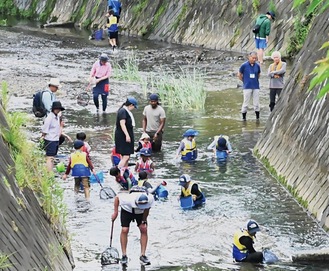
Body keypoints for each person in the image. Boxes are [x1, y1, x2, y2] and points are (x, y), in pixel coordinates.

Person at [111, 186, 154, 266]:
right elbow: (117, 198)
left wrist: (144, 220)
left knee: (144, 229)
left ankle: (143, 255)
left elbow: (147, 209)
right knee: (124, 230)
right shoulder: (127, 199)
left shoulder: (150, 198)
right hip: (127, 210)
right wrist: (115, 213)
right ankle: (124, 255)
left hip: (140, 213)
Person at [41, 101, 65, 172]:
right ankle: (49, 173)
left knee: (52, 157)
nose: (58, 110)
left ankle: (50, 171)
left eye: (59, 109)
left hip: (55, 139)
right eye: (56, 109)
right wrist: (43, 136)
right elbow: (45, 130)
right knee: (50, 157)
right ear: (53, 109)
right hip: (50, 139)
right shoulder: (49, 118)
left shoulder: (57, 117)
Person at [115, 97, 138, 168]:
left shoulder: (125, 111)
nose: (133, 108)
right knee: (126, 156)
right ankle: (118, 170)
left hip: (125, 135)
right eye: (134, 106)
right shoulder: (123, 111)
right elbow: (122, 124)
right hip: (123, 136)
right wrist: (127, 135)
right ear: (131, 105)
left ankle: (125, 172)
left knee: (125, 156)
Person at [238, 52, 261, 121]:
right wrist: (244, 81)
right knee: (245, 103)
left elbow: (259, 74)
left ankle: (257, 118)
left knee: (256, 103)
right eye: (253, 58)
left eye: (255, 58)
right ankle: (244, 118)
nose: (254, 59)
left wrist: (255, 80)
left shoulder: (257, 66)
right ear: (249, 57)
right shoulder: (244, 65)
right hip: (247, 87)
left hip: (256, 86)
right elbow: (239, 74)